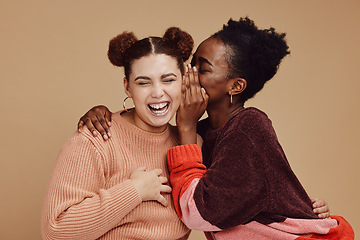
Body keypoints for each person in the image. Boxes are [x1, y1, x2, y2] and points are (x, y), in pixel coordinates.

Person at [77, 18, 354, 239]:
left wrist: (185, 128)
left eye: (204, 68)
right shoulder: (207, 130)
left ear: (235, 86)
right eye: (192, 63)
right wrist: (106, 113)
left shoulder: (250, 126)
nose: (191, 73)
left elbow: (199, 212)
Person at [41, 27, 195, 240]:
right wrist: (133, 190)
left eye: (168, 80)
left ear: (184, 80)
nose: (158, 92)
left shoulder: (191, 143)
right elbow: (56, 230)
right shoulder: (96, 138)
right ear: (127, 87)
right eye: (143, 82)